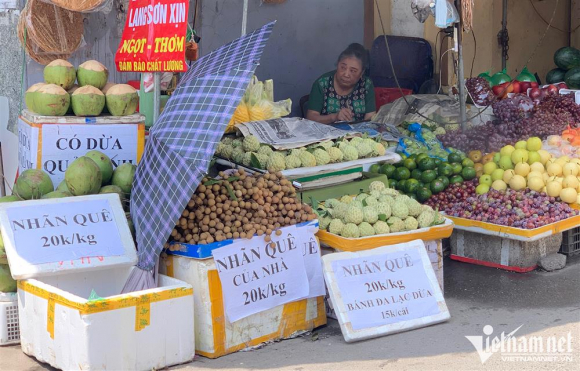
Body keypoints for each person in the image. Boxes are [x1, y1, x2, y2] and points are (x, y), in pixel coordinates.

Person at [306, 43, 376, 124]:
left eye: (353, 71)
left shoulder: (366, 85)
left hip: (358, 134)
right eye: (343, 67)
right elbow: (310, 118)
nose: (346, 74)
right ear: (337, 64)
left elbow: (370, 118)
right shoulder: (322, 83)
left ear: (361, 73)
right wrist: (335, 117)